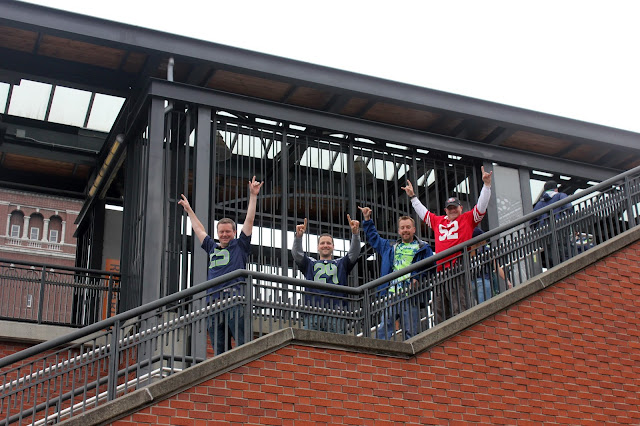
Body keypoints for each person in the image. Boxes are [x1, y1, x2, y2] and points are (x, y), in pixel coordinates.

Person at [178, 176, 263, 355]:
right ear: (217, 233)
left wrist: (253, 196)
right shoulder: (212, 247)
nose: (224, 235)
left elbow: (249, 221)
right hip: (213, 304)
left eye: (228, 232)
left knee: (243, 345)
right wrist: (189, 210)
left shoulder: (240, 245)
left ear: (234, 232)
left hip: (234, 300)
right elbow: (199, 230)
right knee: (219, 349)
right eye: (221, 232)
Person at [403, 166, 493, 323]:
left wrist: (486, 185)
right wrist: (413, 197)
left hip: (458, 267)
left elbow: (481, 207)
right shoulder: (438, 221)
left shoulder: (467, 219)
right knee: (439, 309)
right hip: (440, 271)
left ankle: (463, 331)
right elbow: (424, 213)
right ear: (445, 210)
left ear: (460, 208)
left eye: (455, 208)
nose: (452, 211)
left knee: (460, 306)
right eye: (450, 208)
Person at [358, 207, 433, 340]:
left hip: (411, 295)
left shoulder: (423, 247)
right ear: (399, 231)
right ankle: (379, 351)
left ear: (414, 229)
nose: (405, 230)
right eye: (402, 228)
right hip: (391, 294)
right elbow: (374, 239)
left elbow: (430, 267)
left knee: (411, 331)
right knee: (384, 329)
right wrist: (367, 219)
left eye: (408, 227)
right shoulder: (390, 246)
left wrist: (417, 276)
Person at [292, 215, 361, 334]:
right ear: (318, 247)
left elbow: (354, 253)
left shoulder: (341, 264)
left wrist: (355, 234)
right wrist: (298, 237)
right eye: (322, 243)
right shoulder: (310, 264)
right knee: (310, 344)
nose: (325, 245)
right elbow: (297, 254)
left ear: (333, 247)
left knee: (337, 344)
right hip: (313, 313)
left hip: (337, 314)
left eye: (328, 243)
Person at [530, 180, 572, 267]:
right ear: (556, 189)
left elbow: (532, 221)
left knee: (552, 258)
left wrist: (538, 231)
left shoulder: (540, 203)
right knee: (566, 254)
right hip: (561, 229)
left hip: (545, 234)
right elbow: (569, 208)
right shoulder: (560, 196)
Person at [469, 227, 512, 304]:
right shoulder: (485, 250)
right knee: (485, 305)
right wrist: (507, 280)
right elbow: (496, 266)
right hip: (483, 281)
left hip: (472, 282)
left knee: (481, 305)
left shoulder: (469, 252)